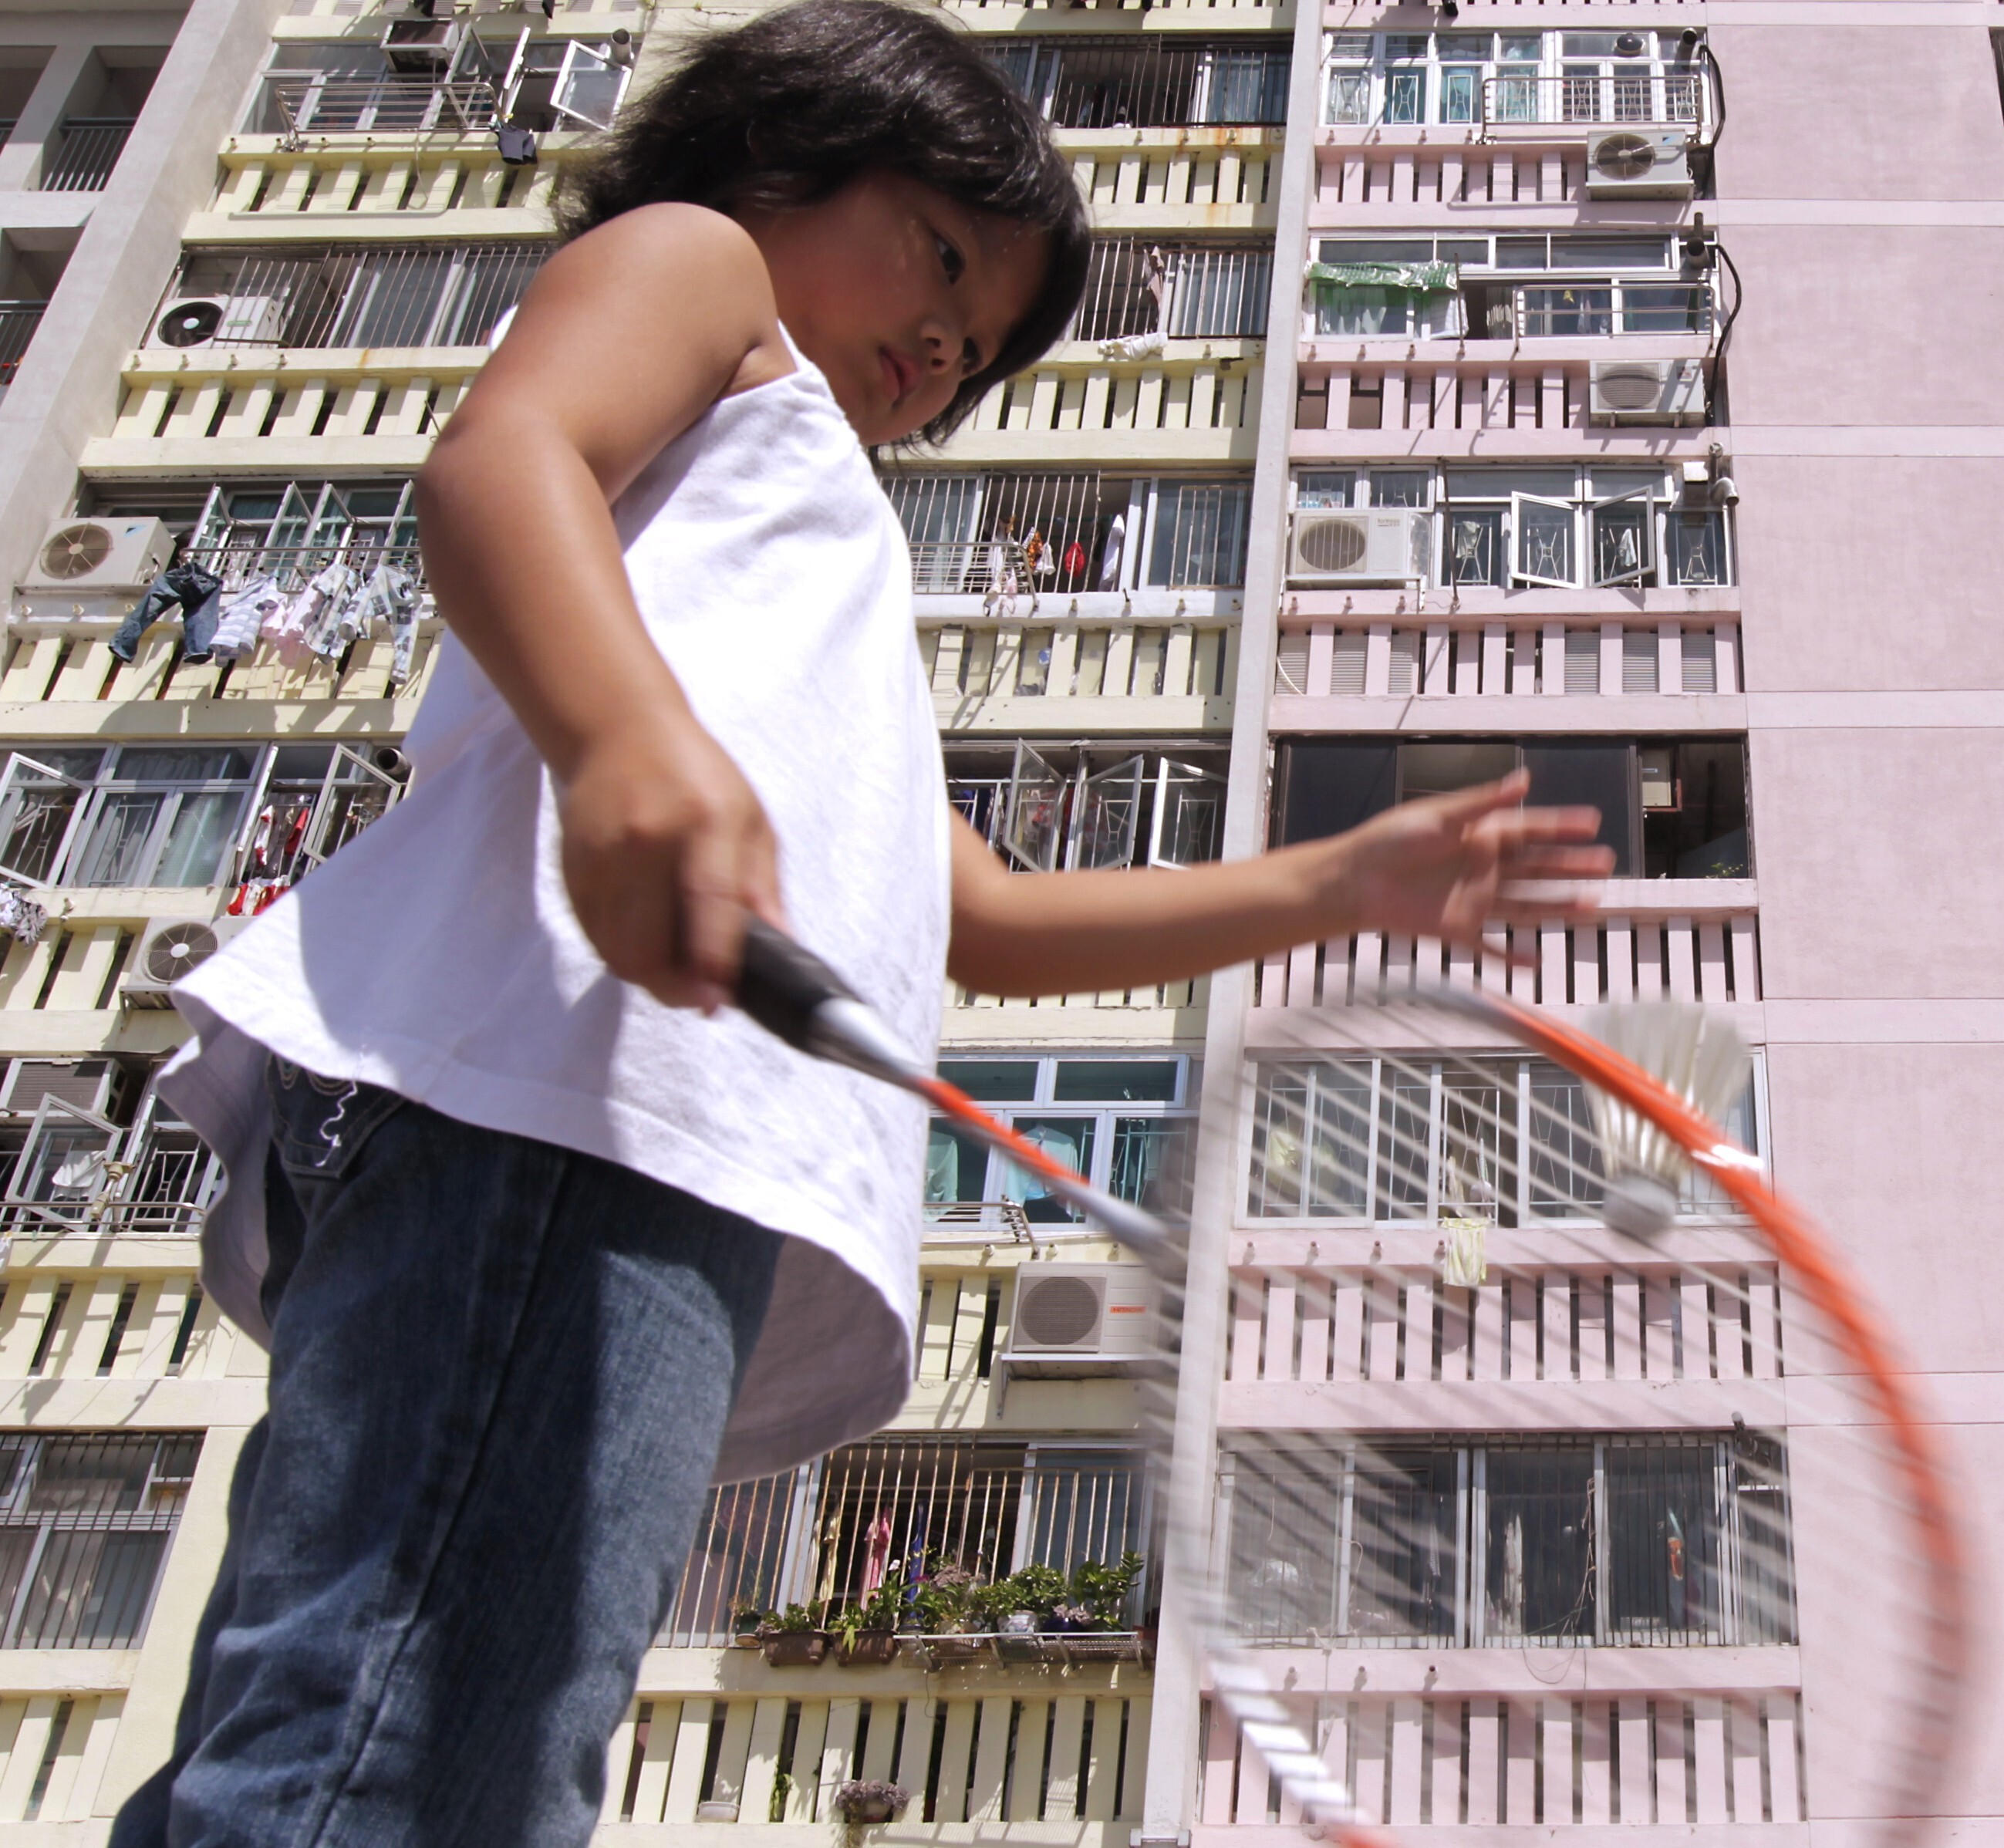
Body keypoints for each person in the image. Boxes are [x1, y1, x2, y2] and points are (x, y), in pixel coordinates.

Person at [110, 5, 1608, 1844]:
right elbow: (502, 464)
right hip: (563, 1102)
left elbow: (983, 915)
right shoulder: (700, 270)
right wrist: (624, 741)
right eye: (944, 254)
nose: (941, 344)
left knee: (362, 1726)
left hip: (619, 1145)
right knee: (408, 1766)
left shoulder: (809, 566)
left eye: (976, 347)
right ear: (781, 147)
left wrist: (1330, 887)